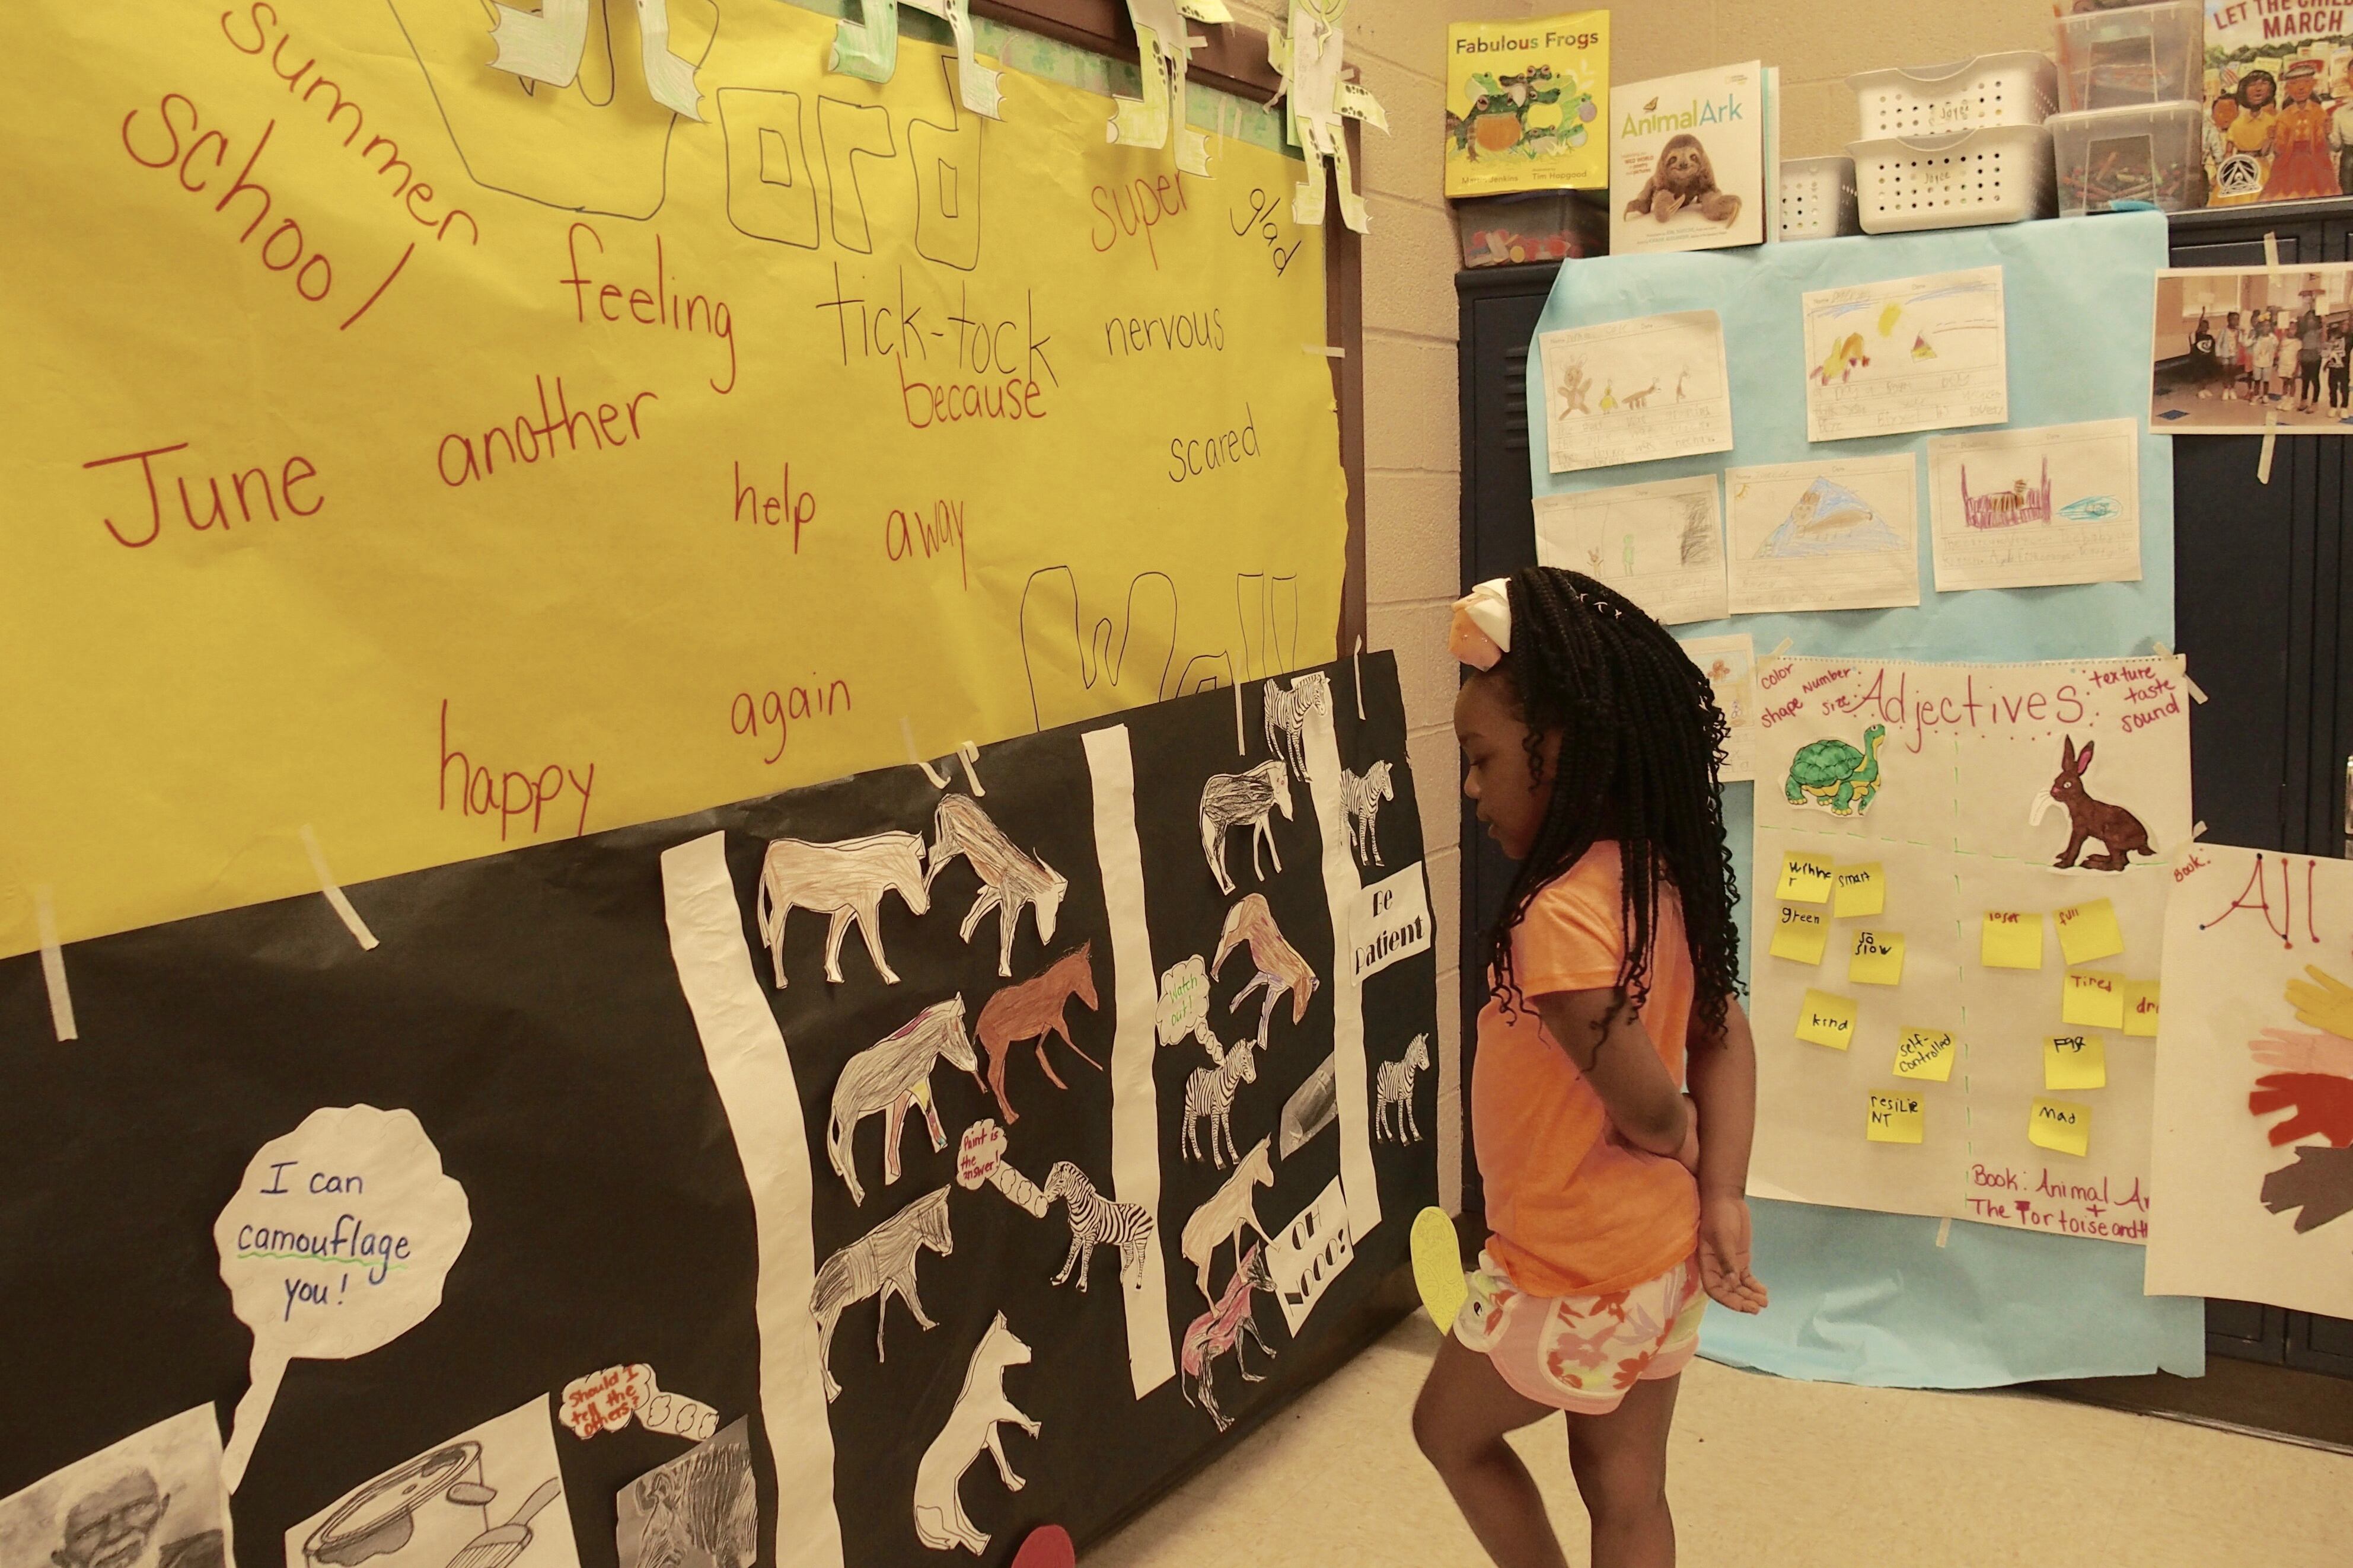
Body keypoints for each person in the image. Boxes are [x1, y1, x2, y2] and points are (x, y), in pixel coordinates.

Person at [1417, 569, 1766, 1568]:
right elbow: (1722, 1028)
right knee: (1625, 1490)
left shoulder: (1559, 917)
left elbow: (1647, 1111)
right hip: (1657, 1254)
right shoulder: (1651, 877)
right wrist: (1724, 1192)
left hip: (1570, 1266)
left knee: (1446, 1430)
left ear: (1560, 751)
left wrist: (1684, 1136)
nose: (1472, 790)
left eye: (1481, 762)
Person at [50, 1471, 223, 1568]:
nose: (116, 1534)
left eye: (137, 1509)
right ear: (63, 1559)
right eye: (89, 1531)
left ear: (162, 1508)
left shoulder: (209, 1556)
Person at [2262, 61, 2339, 202]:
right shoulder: (2284, 116)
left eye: (2306, 82)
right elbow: (2279, 149)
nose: (2301, 88)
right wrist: (2273, 138)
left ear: (2312, 84)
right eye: (2295, 84)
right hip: (2289, 165)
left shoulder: (2319, 112)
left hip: (2317, 164)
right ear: (2288, 88)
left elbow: (2326, 146)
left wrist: (2328, 134)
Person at [2295, 304, 2327, 413]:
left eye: (2312, 319)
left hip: (2315, 356)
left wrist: (2324, 324)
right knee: (2305, 379)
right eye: (2308, 319)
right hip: (2305, 355)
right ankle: (2303, 400)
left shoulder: (2318, 332)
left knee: (2315, 379)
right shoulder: (2303, 332)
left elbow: (2324, 339)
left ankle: (2315, 402)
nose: (2310, 321)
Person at [2251, 306, 2281, 401]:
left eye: (2268, 326)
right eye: (2263, 326)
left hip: (2268, 362)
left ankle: (2265, 395)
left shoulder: (2272, 337)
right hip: (2257, 362)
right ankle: (2256, 395)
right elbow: (2247, 344)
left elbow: (2277, 345)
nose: (2265, 328)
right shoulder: (2257, 337)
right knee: (2257, 380)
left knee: (2266, 380)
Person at [2325, 323, 2349, 416]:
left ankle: (2344, 407)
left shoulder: (2349, 338)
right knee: (2332, 387)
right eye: (2342, 325)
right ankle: (2333, 406)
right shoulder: (2333, 337)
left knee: (2344, 388)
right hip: (2333, 367)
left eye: (2346, 325)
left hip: (2344, 368)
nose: (2344, 326)